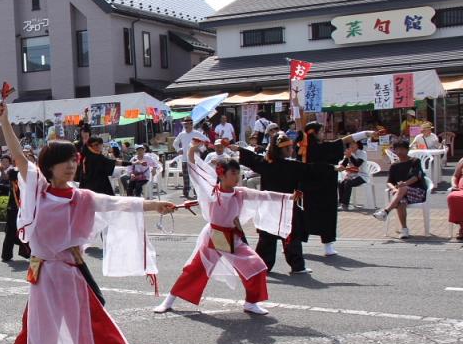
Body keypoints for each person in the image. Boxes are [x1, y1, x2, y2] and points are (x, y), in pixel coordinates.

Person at [0, 100, 176, 344]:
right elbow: (18, 157)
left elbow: (119, 204)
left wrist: (154, 205)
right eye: (63, 160)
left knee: (98, 332)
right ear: (49, 166)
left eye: (73, 159)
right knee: (34, 330)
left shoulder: (83, 197)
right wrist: (5, 122)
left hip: (71, 273)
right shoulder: (38, 190)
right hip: (43, 273)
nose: (70, 165)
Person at [155, 144, 297, 315]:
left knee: (257, 266)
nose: (237, 177)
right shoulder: (211, 192)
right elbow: (195, 171)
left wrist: (289, 197)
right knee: (194, 270)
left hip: (233, 237)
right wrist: (192, 150)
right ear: (221, 174)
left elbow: (264, 195)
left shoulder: (240, 193)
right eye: (233, 173)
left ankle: (251, 302)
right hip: (215, 236)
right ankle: (168, 300)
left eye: (238, 173)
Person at [237, 134, 312, 275]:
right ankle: (297, 266)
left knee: (267, 237)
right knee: (290, 235)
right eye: (289, 147)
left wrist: (238, 149)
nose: (292, 150)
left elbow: (251, 158)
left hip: (269, 206)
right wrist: (333, 169)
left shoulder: (266, 164)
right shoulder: (292, 166)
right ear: (283, 149)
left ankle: (263, 266)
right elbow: (313, 170)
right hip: (286, 206)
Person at [298, 122, 374, 256]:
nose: (323, 134)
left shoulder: (309, 148)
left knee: (316, 215)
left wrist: (366, 134)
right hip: (318, 187)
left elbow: (344, 140)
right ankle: (303, 244)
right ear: (314, 133)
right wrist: (366, 133)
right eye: (321, 131)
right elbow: (345, 140)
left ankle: (319, 244)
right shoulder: (305, 148)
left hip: (318, 187)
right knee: (315, 215)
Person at [372, 140, 427, 239]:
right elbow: (389, 182)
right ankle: (404, 229)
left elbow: (416, 177)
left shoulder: (415, 161)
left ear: (407, 150)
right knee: (401, 202)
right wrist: (393, 188)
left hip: (417, 192)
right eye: (397, 149)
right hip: (401, 194)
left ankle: (385, 211)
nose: (399, 152)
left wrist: (404, 184)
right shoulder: (394, 165)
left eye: (402, 149)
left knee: (402, 188)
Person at [173, 118, 209, 199]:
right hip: (185, 158)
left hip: (195, 159)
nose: (185, 125)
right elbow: (175, 143)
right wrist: (178, 150)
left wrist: (200, 149)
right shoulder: (181, 134)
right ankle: (185, 193)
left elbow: (207, 141)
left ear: (191, 124)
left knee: (196, 177)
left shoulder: (197, 133)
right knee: (185, 177)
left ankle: (197, 193)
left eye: (187, 124)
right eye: (184, 124)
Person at [337, 140, 369, 209]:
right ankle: (341, 202)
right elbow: (343, 165)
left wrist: (350, 156)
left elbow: (357, 164)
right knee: (340, 182)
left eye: (354, 143)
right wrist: (337, 168)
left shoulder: (362, 153)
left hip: (362, 176)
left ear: (358, 144)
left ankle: (345, 205)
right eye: (350, 144)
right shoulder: (349, 153)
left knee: (348, 183)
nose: (351, 145)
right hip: (352, 175)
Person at [448, 158, 463, 241]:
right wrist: (454, 185)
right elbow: (455, 176)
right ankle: (462, 226)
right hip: (461, 190)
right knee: (452, 197)